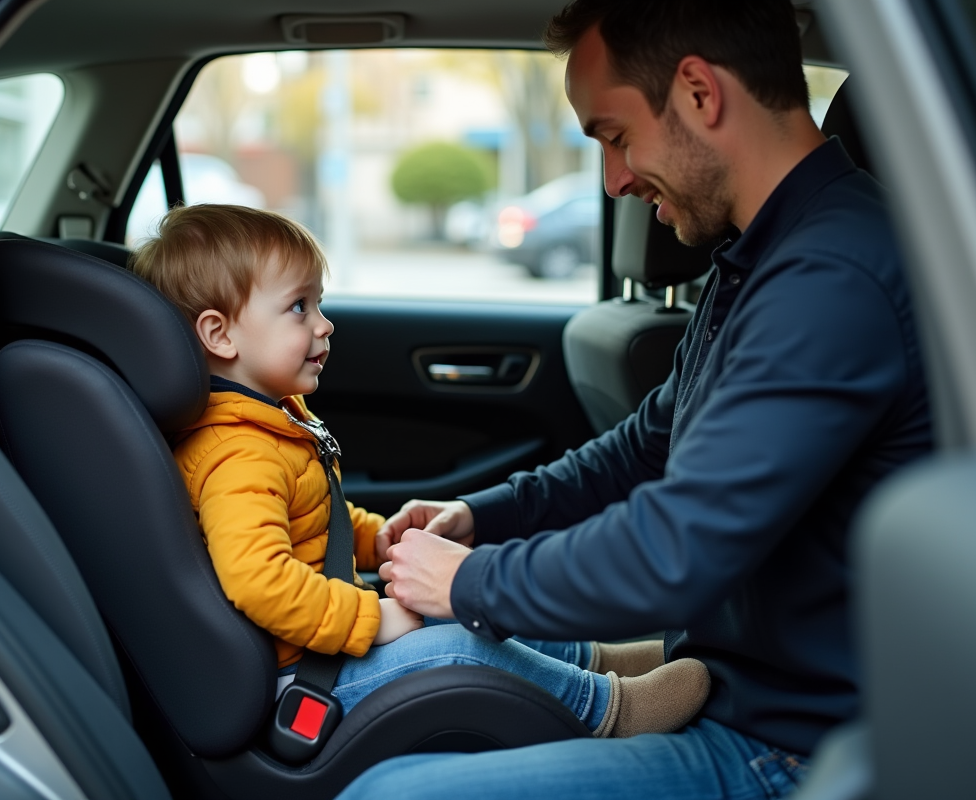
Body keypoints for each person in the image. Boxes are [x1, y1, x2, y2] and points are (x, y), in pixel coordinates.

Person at [342, 0, 932, 798]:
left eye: (616, 138)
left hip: (792, 747)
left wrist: (470, 582)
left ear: (698, 92)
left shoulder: (833, 278)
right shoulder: (762, 259)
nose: (615, 180)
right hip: (730, 688)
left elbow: (675, 548)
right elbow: (645, 447)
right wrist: (482, 517)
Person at [130, 203, 711, 738]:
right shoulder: (236, 454)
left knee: (462, 606)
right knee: (461, 644)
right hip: (305, 675)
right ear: (218, 333)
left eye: (321, 303)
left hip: (322, 640)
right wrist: (373, 617)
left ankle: (598, 661)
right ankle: (609, 709)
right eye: (298, 307)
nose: (324, 324)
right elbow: (260, 582)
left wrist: (376, 540)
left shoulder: (270, 419)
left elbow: (312, 516)